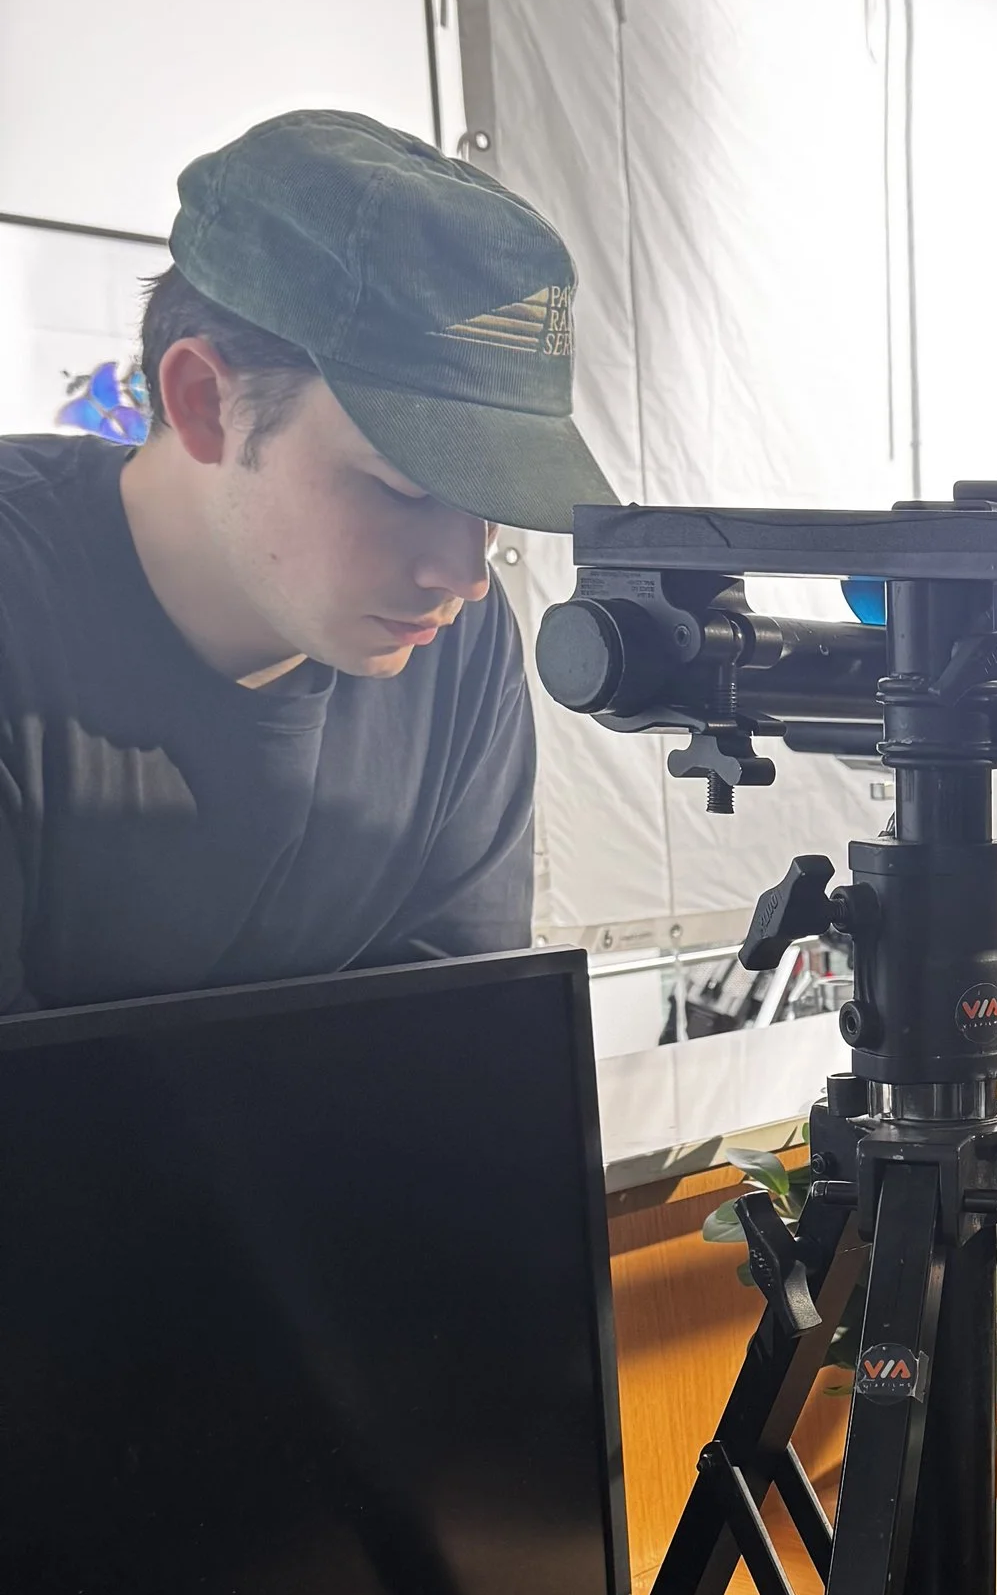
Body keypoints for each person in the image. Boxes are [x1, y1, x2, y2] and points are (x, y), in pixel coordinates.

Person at [0, 108, 610, 1013]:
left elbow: (457, 1051)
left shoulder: (458, 645)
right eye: (405, 486)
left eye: (490, 507)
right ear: (203, 401)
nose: (466, 574)